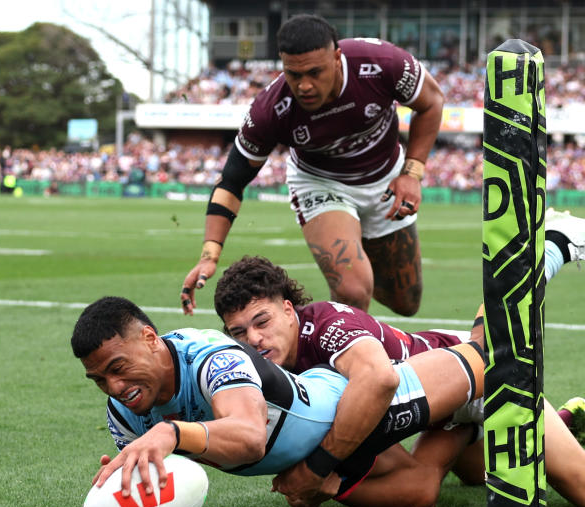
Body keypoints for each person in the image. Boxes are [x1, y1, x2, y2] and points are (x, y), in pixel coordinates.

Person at [211, 255, 585, 507]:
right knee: (477, 474)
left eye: (262, 321)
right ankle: (559, 423)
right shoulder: (268, 374)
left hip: (474, 385)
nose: (254, 340)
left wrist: (318, 476)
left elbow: (379, 385)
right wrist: (317, 489)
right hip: (440, 417)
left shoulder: (328, 324)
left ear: (290, 309)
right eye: (239, 333)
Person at [71, 296, 486, 507]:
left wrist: (172, 433)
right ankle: (464, 427)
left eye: (118, 368)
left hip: (358, 407)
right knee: (431, 486)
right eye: (99, 380)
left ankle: (547, 244)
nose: (114, 386)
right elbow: (167, 474)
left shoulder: (211, 357)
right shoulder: (125, 414)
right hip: (324, 445)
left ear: (149, 339)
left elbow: (251, 438)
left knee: (495, 356)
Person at [179, 13, 445, 318]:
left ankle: (360, 250)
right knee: (354, 289)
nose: (304, 85)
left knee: (406, 303)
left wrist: (412, 173)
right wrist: (209, 255)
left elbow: (431, 102)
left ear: (336, 58)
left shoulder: (381, 63)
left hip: (387, 178)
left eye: (315, 72)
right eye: (294, 75)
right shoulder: (270, 110)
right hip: (321, 183)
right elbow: (231, 182)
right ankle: (322, 347)